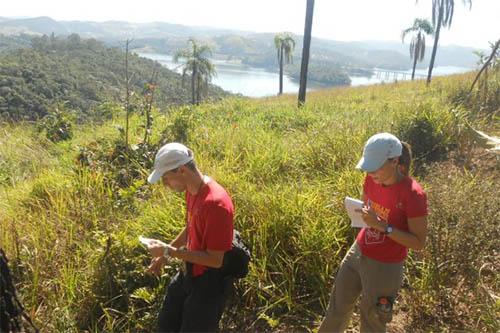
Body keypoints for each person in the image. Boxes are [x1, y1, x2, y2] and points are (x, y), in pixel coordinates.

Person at [319, 133, 428, 333]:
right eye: (367, 166)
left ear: (395, 161)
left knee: (373, 322)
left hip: (386, 266)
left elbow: (418, 242)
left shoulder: (413, 195)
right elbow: (366, 209)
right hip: (358, 251)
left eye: (375, 166)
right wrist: (360, 213)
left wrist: (384, 227)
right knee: (336, 309)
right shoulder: (371, 179)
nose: (370, 172)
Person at [145, 142, 234, 333]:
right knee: (166, 325)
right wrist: (164, 254)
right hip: (189, 271)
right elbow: (191, 227)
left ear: (182, 170)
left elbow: (215, 260)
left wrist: (170, 251)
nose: (165, 184)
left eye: (166, 178)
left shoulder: (215, 204)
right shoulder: (192, 191)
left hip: (209, 283)